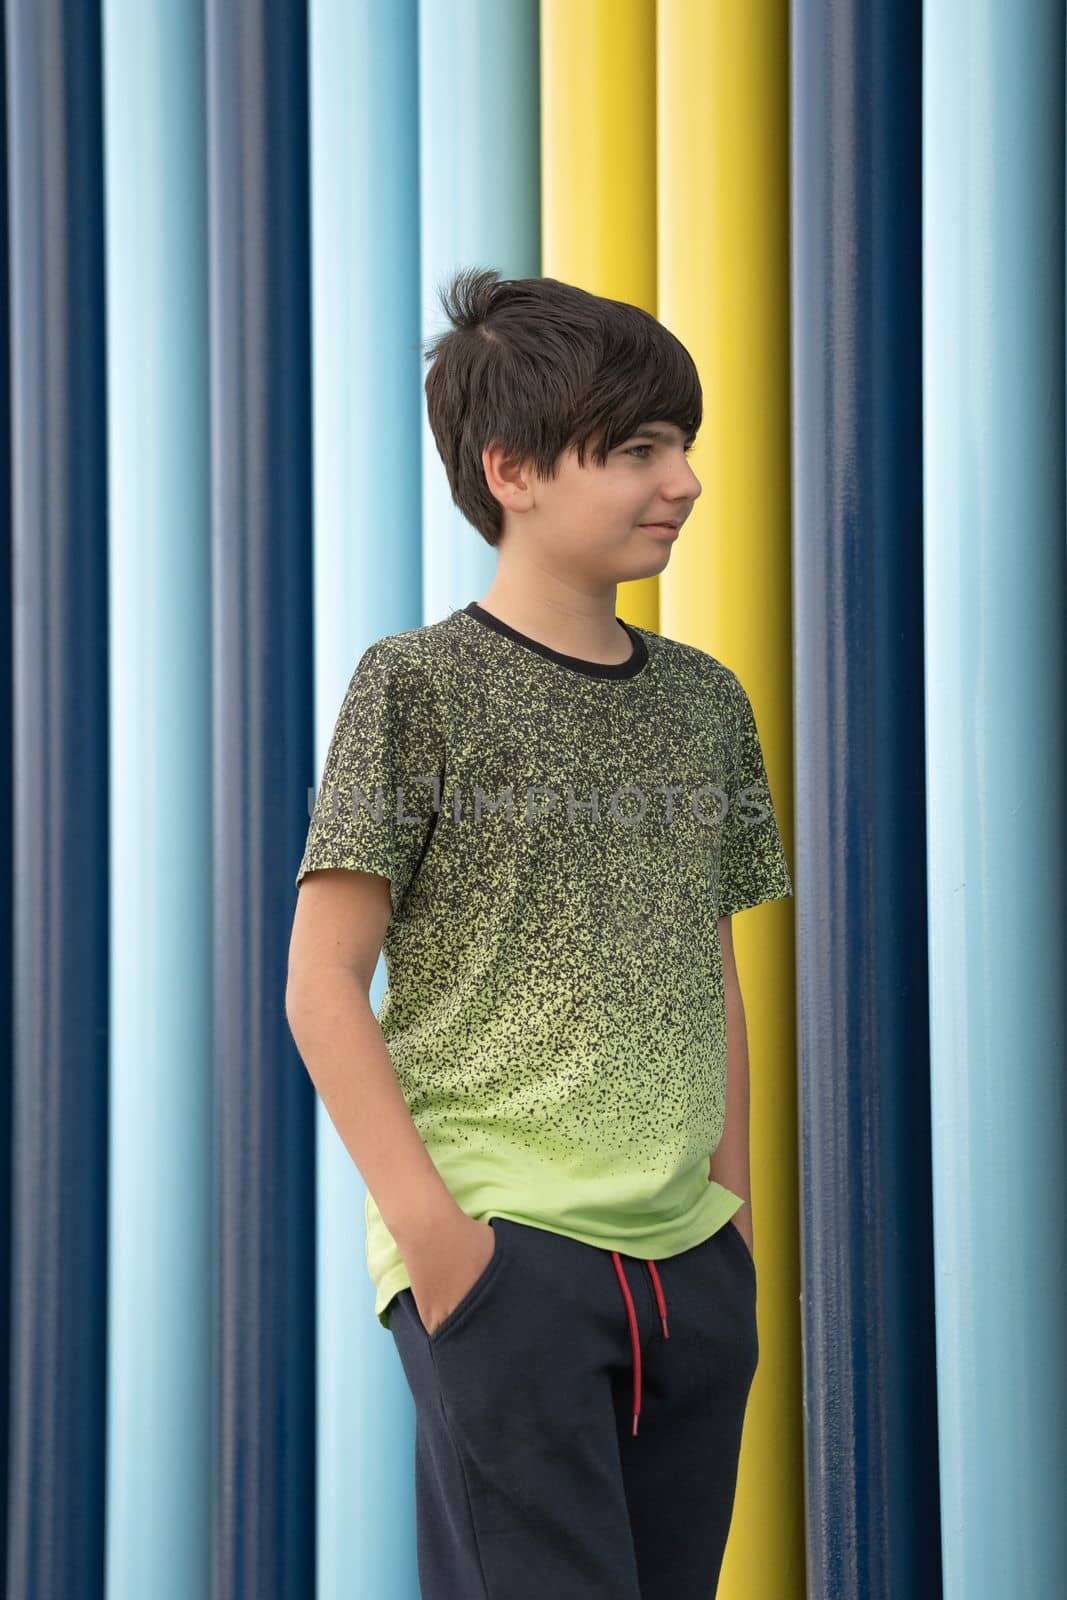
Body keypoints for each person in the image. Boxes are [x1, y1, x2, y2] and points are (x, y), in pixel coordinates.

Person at [285, 267, 793, 1599]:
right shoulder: (417, 686)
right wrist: (443, 1249)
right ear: (510, 470)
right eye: (636, 449)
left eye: (682, 443)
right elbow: (320, 984)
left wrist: (730, 1217)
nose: (682, 479)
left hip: (690, 1263)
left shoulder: (704, 702)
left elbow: (709, 965)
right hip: (508, 1260)